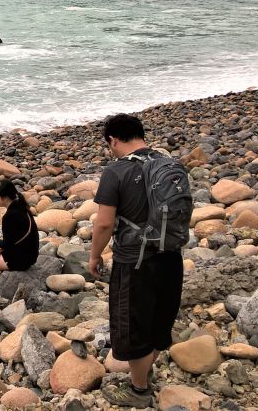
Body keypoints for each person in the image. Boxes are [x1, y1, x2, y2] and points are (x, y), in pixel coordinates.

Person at [89, 114, 184, 408]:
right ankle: (144, 374)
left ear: (113, 140)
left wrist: (94, 255)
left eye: (110, 145)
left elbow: (104, 224)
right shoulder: (171, 165)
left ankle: (138, 390)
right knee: (158, 322)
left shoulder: (115, 172)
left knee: (134, 329)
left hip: (135, 263)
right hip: (171, 257)